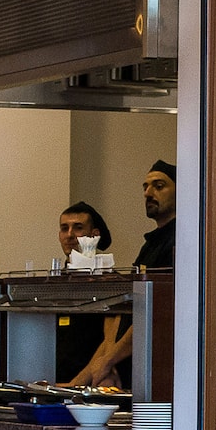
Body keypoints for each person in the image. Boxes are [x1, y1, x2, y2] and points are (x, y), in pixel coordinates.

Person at [70, 160, 175, 387]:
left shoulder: (180, 241)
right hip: (123, 368)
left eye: (158, 186)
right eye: (145, 187)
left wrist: (109, 360)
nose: (148, 193)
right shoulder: (149, 246)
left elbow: (157, 310)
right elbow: (122, 307)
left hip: (154, 369)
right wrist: (102, 363)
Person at [54, 202, 116, 384]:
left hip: (93, 382)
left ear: (94, 235)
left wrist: (76, 384)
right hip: (55, 382)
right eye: (64, 228)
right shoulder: (53, 283)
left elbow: (110, 343)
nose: (70, 235)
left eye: (78, 228)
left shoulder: (110, 283)